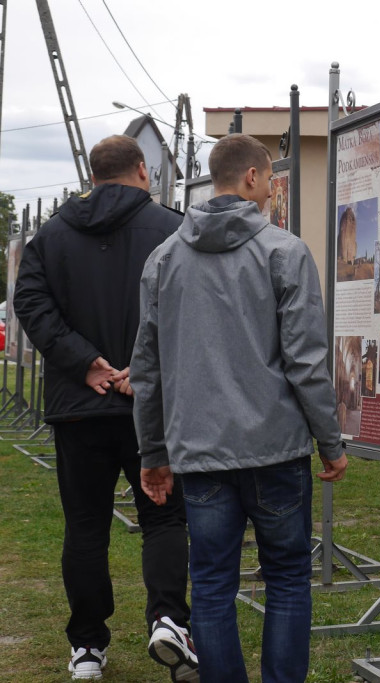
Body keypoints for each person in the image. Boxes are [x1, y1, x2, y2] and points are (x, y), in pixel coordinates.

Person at [131, 133, 348, 683]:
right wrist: (330, 441)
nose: (273, 189)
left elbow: (147, 369)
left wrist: (154, 453)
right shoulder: (285, 252)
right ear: (252, 177)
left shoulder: (163, 260)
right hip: (276, 451)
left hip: (200, 453)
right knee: (288, 578)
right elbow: (307, 362)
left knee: (210, 584)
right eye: (271, 178)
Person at [13, 135, 197, 681]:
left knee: (86, 525)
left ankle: (88, 647)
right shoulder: (174, 228)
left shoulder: (51, 236)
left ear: (91, 176)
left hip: (79, 403)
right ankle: (168, 619)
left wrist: (84, 362)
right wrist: (145, 367)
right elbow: (190, 305)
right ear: (143, 170)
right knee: (164, 516)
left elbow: (30, 303)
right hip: (151, 404)